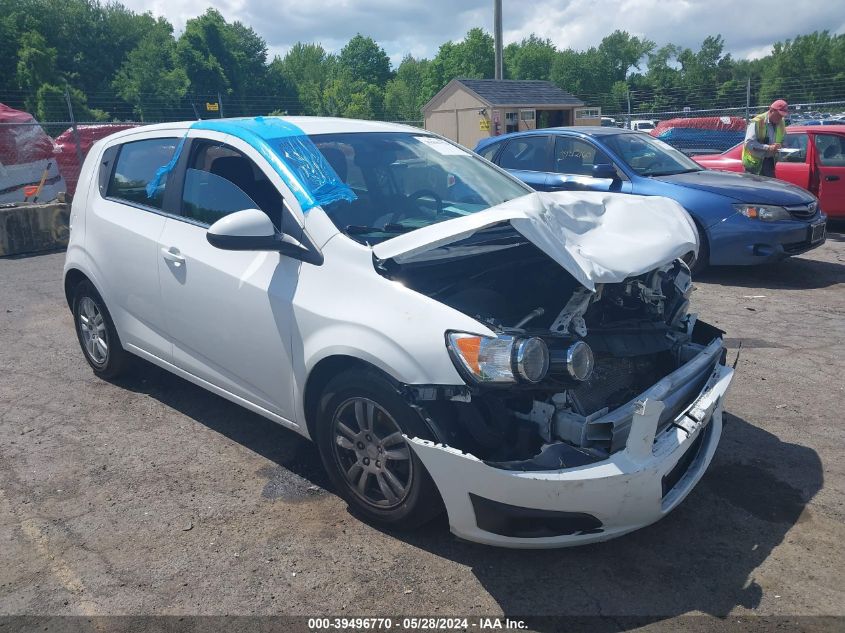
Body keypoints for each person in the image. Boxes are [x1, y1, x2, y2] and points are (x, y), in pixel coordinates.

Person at [742, 99, 788, 177]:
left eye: (782, 116)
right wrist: (768, 148)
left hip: (770, 163)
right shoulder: (757, 122)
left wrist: (781, 146)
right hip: (754, 166)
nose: (781, 118)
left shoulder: (781, 122)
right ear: (771, 110)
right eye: (779, 115)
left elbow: (783, 140)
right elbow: (749, 143)